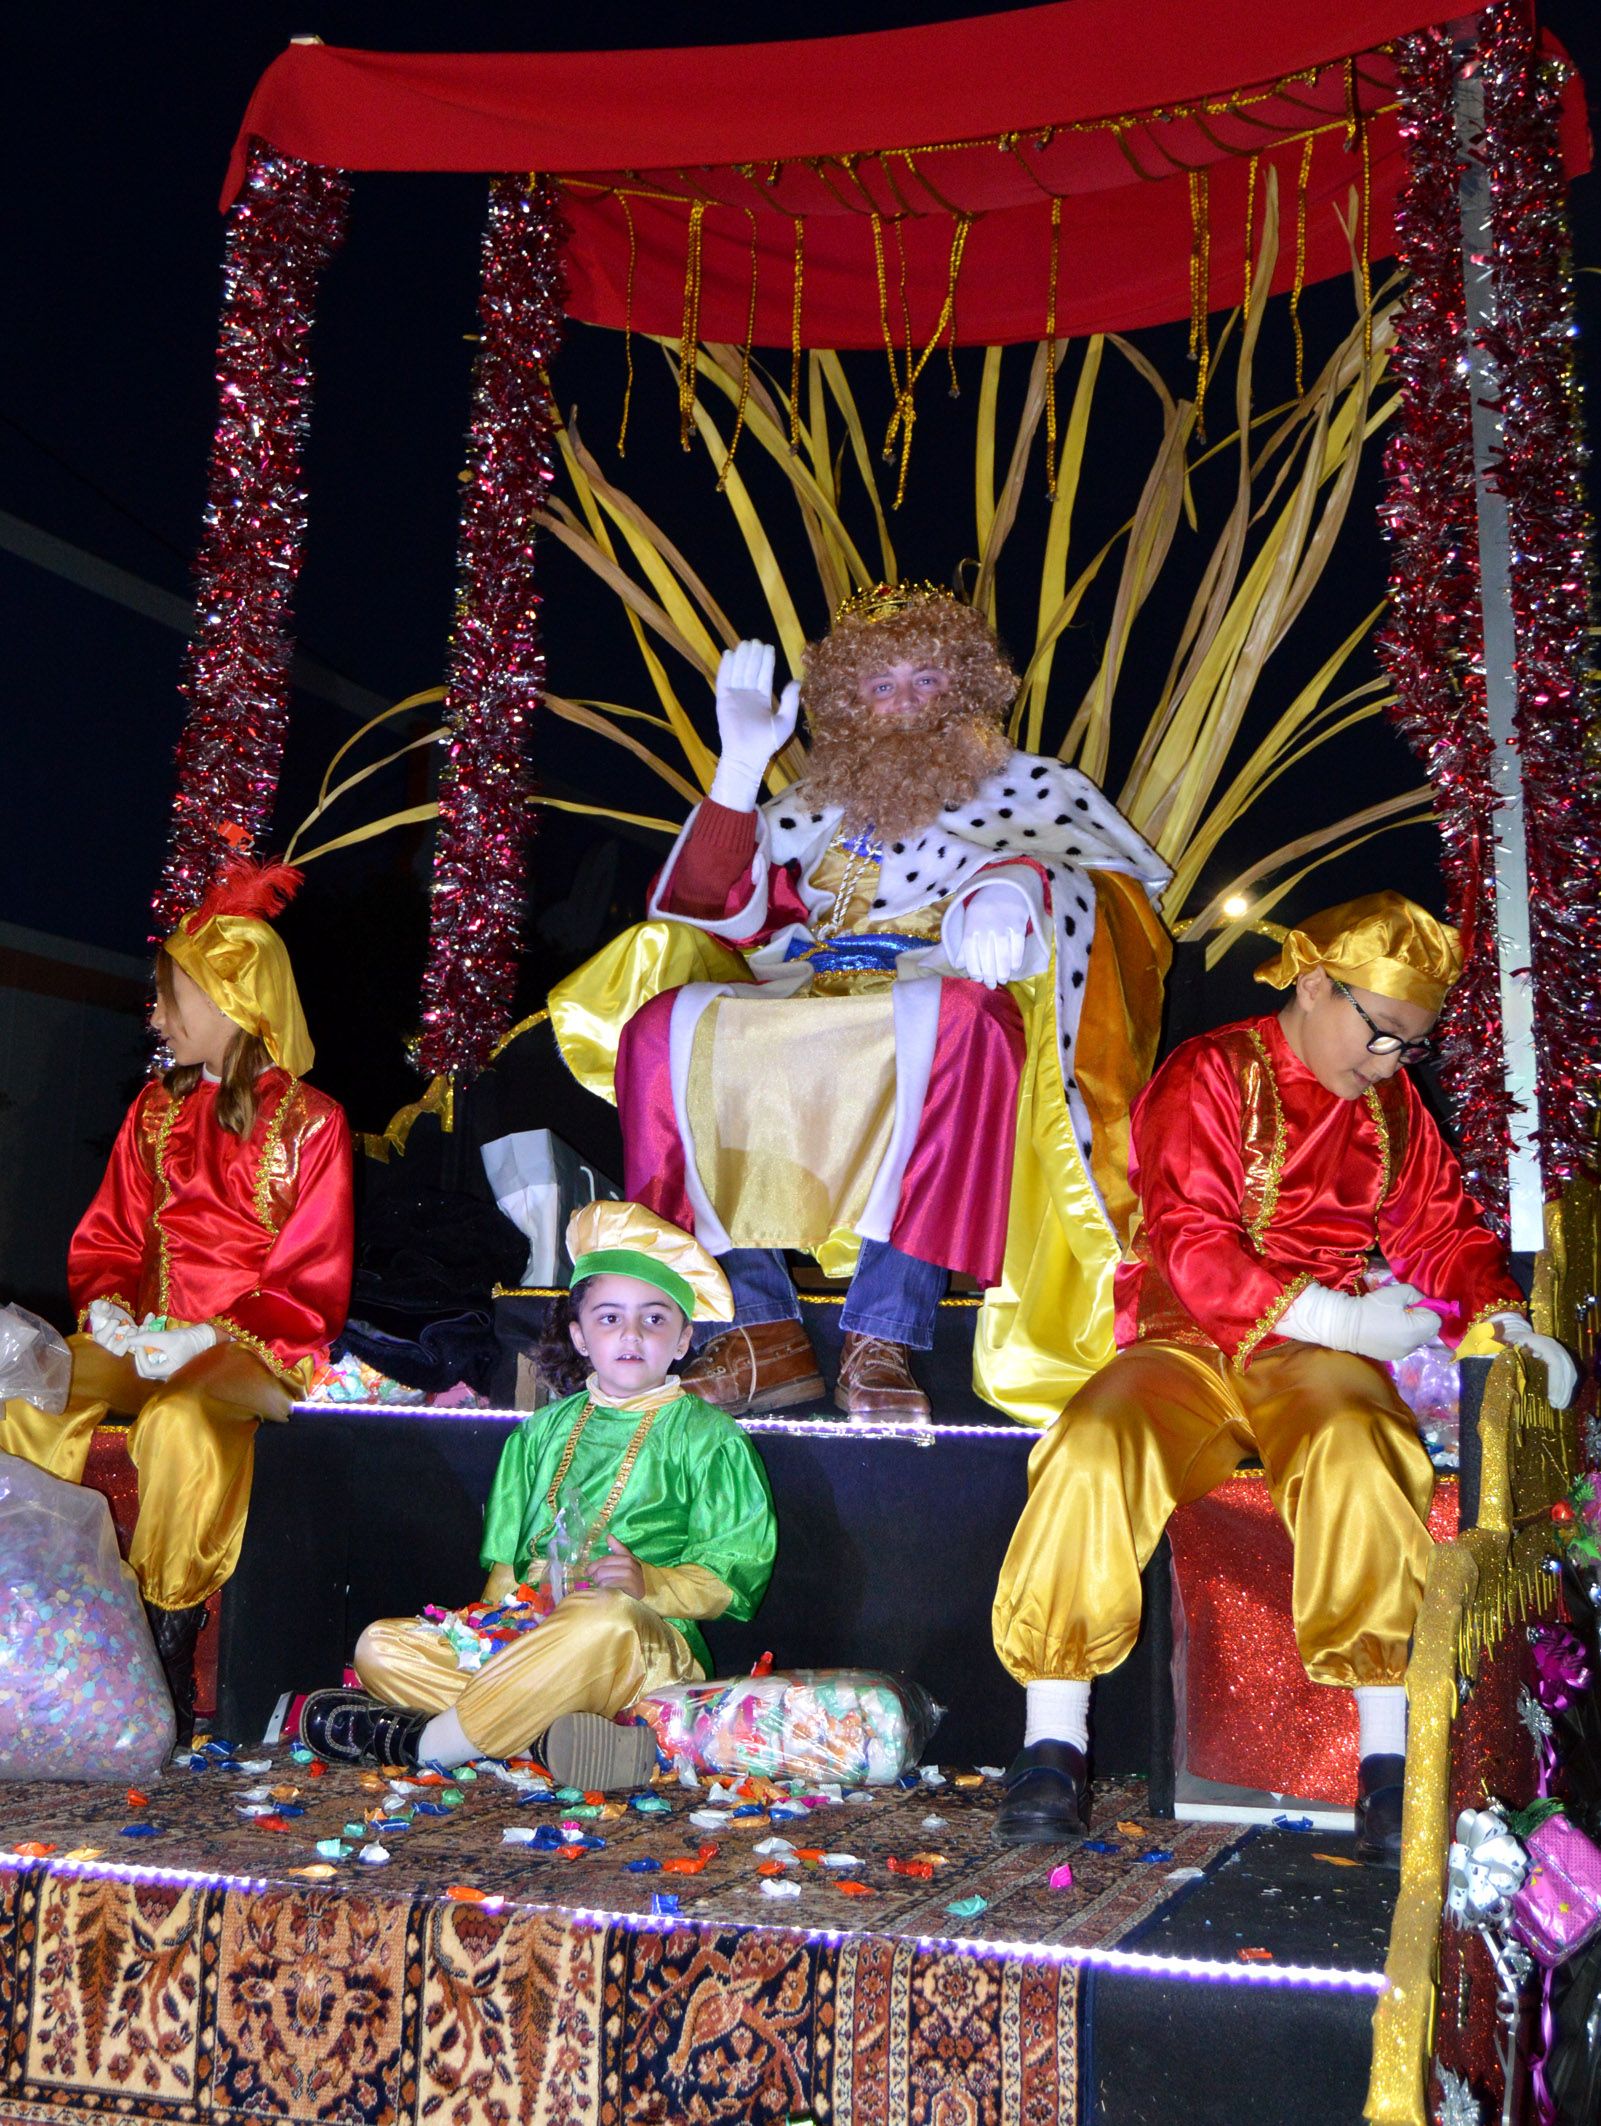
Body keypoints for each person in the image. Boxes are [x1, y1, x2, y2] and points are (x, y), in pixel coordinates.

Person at [989, 892, 1577, 1862]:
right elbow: (1187, 1234)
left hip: (1310, 1364)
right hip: (1185, 1339)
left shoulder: (1387, 1104)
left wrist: (1498, 1310)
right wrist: (1340, 1314)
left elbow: (1436, 1226)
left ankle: (1385, 1765)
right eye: (1380, 1033)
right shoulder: (1209, 1070)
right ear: (1313, 982)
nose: (1387, 1062)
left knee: (1362, 1445)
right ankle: (1052, 1740)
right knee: (1091, 1444)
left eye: (1406, 1047)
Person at [550, 583, 1171, 1426]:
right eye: (881, 686)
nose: (904, 704)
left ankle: (882, 1335)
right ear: (846, 704)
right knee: (666, 1026)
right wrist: (736, 776)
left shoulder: (1034, 789)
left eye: (925, 680)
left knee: (960, 1022)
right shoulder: (812, 804)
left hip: (935, 990)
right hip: (804, 990)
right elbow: (703, 902)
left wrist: (1019, 888)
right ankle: (757, 1326)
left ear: (964, 686)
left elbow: (1118, 900)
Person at [0, 856, 354, 1741]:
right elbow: (113, 1236)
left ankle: (167, 1644)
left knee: (180, 1425)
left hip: (255, 1350)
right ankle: (49, 1616)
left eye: (171, 995)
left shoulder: (314, 1123)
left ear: (229, 998)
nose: (155, 1015)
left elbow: (310, 1283)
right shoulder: (152, 1114)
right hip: (148, 1339)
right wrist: (113, 1306)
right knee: (29, 1394)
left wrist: (207, 1337)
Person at [298, 1200, 777, 1790]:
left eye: (654, 1320)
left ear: (683, 1338)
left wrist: (646, 1583)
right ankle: (552, 1739)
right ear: (579, 1335)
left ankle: (427, 1743)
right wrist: (486, 1632)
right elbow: (502, 1581)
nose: (631, 1335)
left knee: (602, 1618)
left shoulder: (711, 1440)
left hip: (638, 1647)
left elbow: (729, 1585)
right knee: (380, 1646)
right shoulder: (538, 1435)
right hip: (532, 1642)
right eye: (609, 1319)